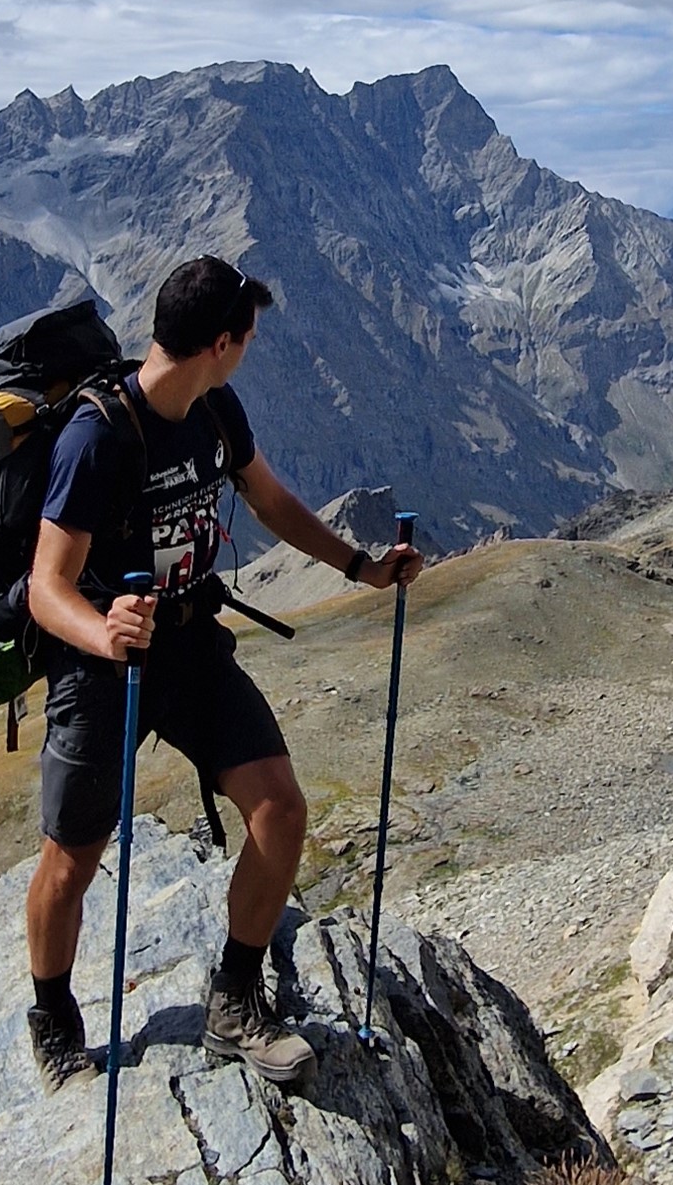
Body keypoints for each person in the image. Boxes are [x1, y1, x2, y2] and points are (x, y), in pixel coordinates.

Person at [21, 256, 423, 1089]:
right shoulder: (97, 436)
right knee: (72, 860)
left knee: (280, 809)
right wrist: (103, 634)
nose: (247, 352)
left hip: (192, 642)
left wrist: (362, 567)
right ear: (220, 342)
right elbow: (45, 586)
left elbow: (270, 500)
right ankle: (54, 1022)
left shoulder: (215, 407)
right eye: (246, 339)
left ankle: (234, 1002)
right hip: (106, 669)